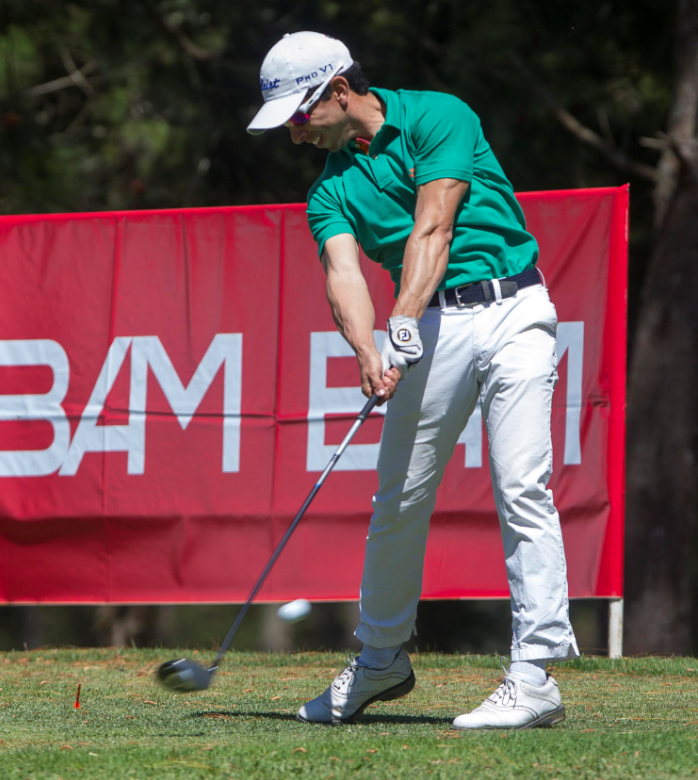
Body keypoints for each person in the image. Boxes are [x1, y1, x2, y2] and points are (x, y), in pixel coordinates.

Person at [248, 32, 579, 730]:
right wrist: (369, 348)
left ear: (337, 90)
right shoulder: (329, 192)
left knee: (522, 483)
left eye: (298, 116)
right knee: (398, 501)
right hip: (429, 329)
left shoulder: (438, 114)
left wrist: (400, 321)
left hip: (513, 307)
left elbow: (435, 225)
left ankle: (534, 673)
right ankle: (380, 660)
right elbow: (342, 273)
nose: (293, 135)